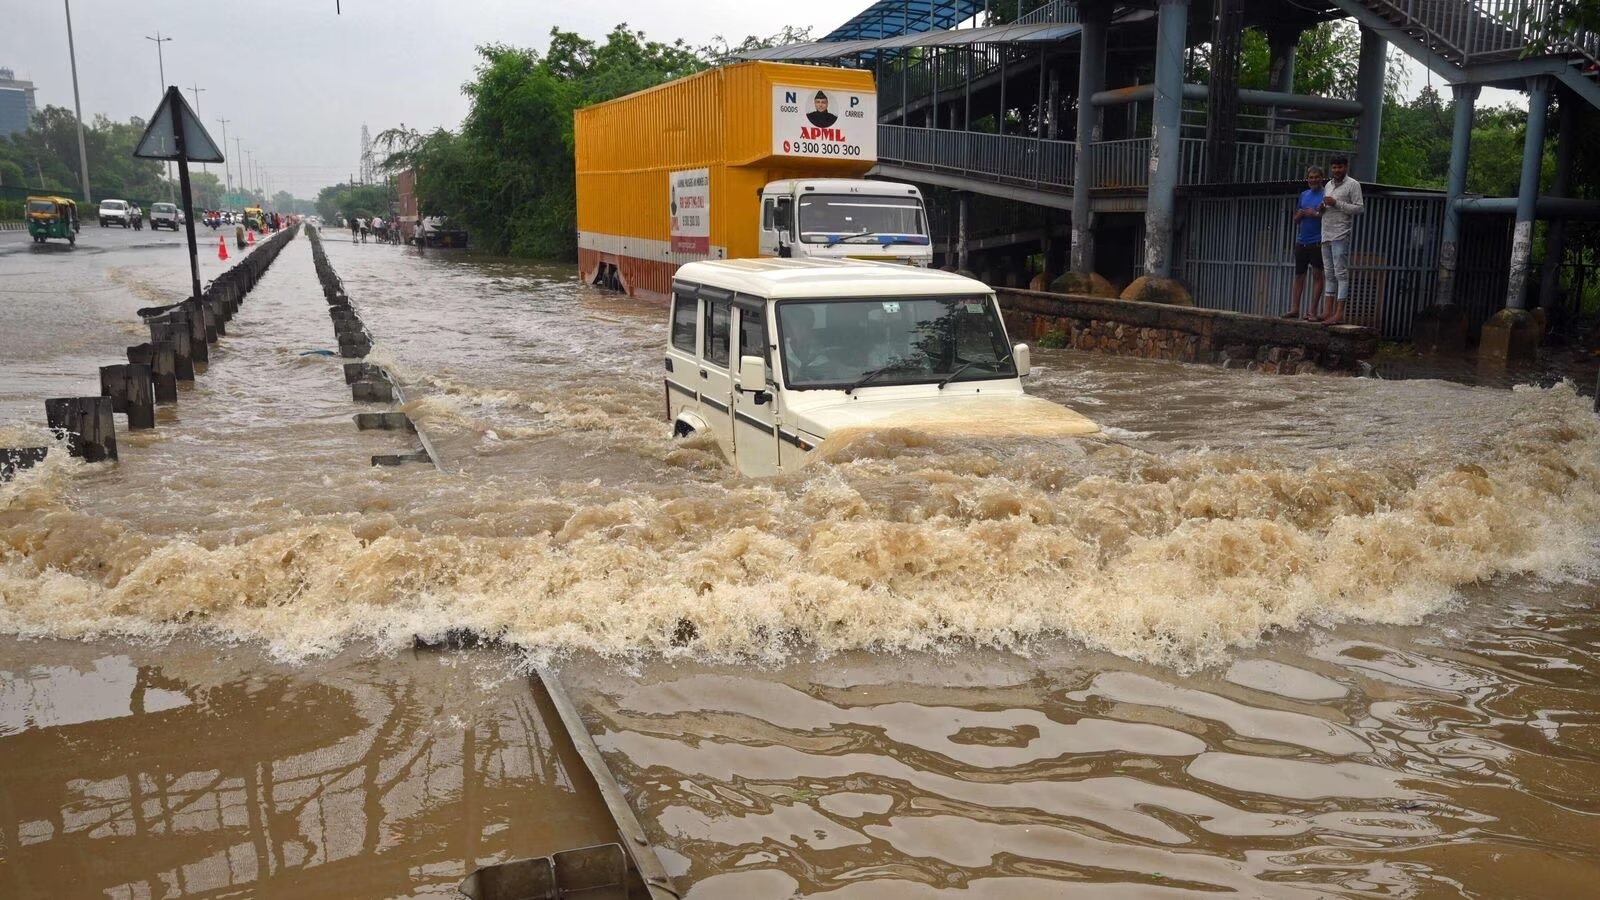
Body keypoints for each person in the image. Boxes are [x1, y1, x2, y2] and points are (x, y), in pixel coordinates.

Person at [1319, 155, 1364, 325]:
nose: (1336, 170)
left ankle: (1339, 313)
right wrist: (1322, 207)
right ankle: (1327, 311)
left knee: (1341, 273)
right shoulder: (1328, 185)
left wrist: (1337, 203)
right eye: (1334, 167)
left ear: (1346, 167)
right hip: (1326, 233)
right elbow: (1326, 206)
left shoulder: (1353, 184)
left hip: (1340, 234)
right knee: (1328, 273)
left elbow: (1360, 209)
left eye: (1340, 167)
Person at [1285, 166, 1325, 320]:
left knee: (1317, 275)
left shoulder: (1326, 194)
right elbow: (1295, 219)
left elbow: (1329, 217)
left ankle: (1312, 312)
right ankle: (1294, 309)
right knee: (1299, 276)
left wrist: (1315, 214)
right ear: (1307, 178)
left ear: (1321, 178)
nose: (1313, 179)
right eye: (1311, 177)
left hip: (1318, 241)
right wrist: (1300, 215)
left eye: (1316, 177)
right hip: (1302, 241)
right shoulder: (1303, 195)